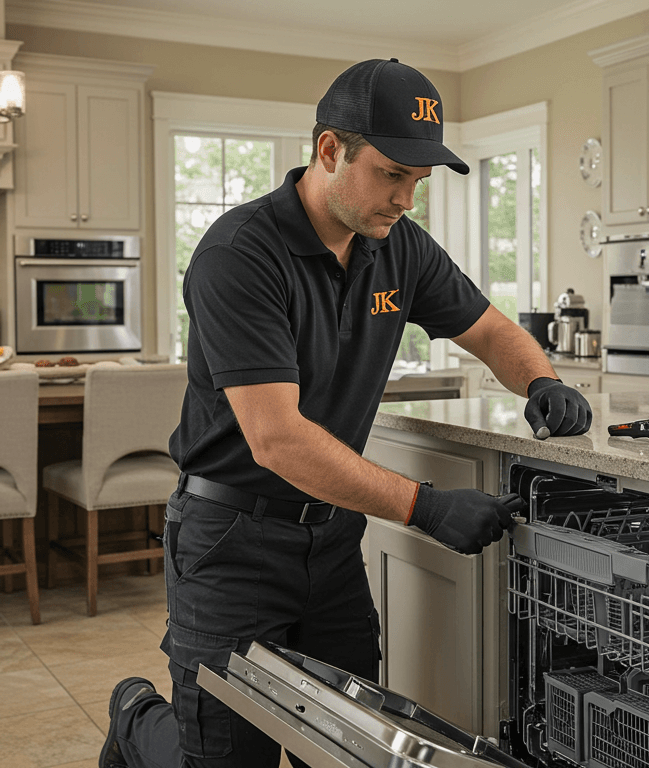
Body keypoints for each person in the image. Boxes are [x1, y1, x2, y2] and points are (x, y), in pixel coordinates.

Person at [100, 57, 592, 768]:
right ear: (330, 150)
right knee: (223, 759)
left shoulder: (399, 248)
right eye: (392, 174)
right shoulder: (239, 254)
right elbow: (277, 439)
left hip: (332, 543)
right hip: (230, 542)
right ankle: (135, 716)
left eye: (418, 181)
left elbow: (489, 330)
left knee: (345, 753)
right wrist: (425, 507)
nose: (406, 199)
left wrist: (541, 380)